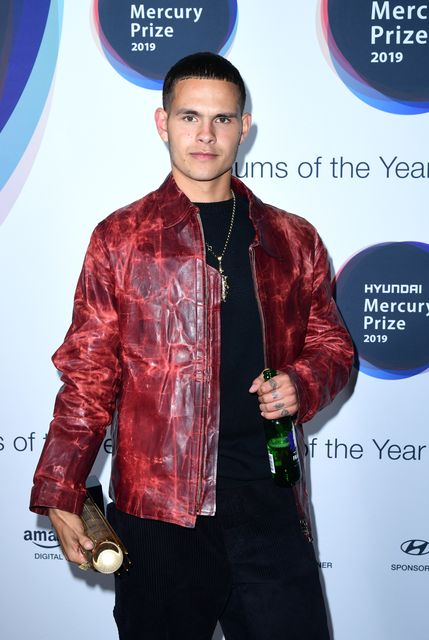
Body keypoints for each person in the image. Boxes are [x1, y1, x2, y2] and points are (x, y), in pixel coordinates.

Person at [30, 52, 354, 639]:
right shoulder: (121, 239)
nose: (205, 135)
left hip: (267, 503)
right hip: (157, 514)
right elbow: (88, 376)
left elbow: (334, 347)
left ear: (244, 127)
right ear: (163, 123)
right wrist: (60, 487)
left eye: (223, 119)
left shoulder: (292, 237)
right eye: (189, 116)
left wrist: (301, 383)